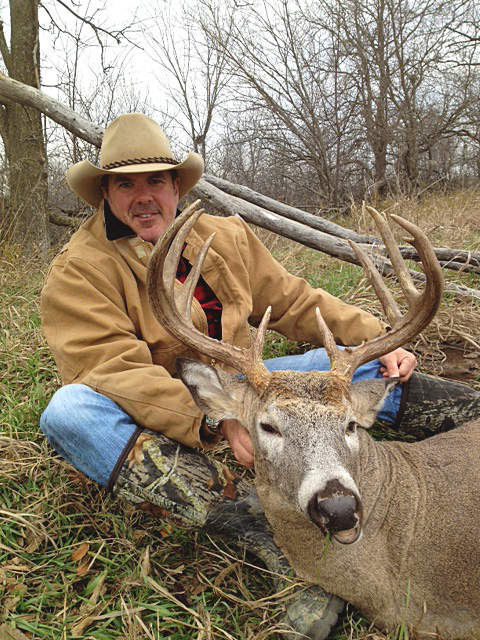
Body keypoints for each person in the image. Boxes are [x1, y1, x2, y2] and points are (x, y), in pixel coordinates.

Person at [40, 113, 480, 640]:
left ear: (176, 186)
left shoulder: (222, 234)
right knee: (68, 411)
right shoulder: (79, 269)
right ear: (104, 193)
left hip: (252, 393)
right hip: (164, 411)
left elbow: (294, 300)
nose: (144, 197)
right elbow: (110, 368)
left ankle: (465, 413)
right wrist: (219, 420)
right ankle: (259, 526)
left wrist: (379, 335)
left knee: (352, 365)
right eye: (126, 185)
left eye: (156, 180)